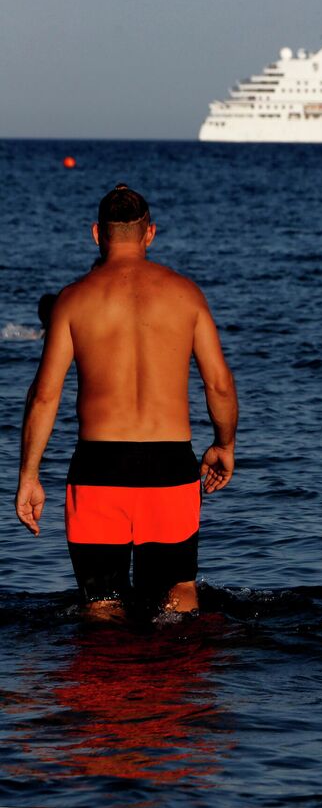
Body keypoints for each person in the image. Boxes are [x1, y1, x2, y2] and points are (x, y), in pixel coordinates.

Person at [16, 185, 238, 621]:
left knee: (102, 605)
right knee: (178, 596)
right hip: (170, 465)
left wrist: (29, 475)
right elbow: (220, 386)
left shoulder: (73, 300)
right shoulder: (186, 294)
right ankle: (176, 683)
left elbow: (45, 395)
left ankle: (104, 684)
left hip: (98, 468)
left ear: (96, 233)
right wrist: (224, 445)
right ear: (149, 233)